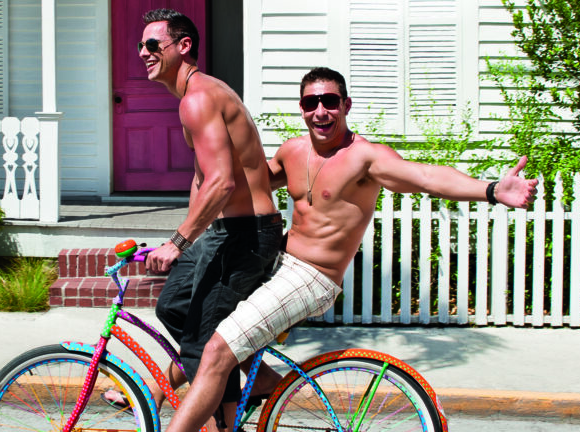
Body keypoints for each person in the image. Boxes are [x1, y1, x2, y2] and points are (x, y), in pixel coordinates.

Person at [162, 67, 539, 432]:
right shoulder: (293, 152)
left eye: (329, 101)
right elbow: (246, 176)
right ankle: (180, 391)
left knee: (216, 351)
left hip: (311, 278)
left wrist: (492, 190)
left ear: (346, 105)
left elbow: (426, 177)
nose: (320, 112)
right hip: (275, 263)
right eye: (311, 103)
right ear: (302, 108)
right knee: (198, 323)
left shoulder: (365, 158)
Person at [128, 8, 284, 430]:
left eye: (152, 45)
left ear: (184, 46)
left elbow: (221, 183)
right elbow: (202, 181)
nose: (143, 52)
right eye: (140, 46)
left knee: (203, 343)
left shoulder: (198, 98)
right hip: (223, 232)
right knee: (174, 306)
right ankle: (262, 380)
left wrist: (177, 243)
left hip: (246, 235)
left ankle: (221, 422)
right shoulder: (195, 97)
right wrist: (185, 238)